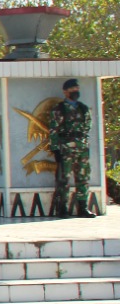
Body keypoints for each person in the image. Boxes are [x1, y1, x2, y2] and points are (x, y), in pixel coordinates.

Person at [48, 78, 96, 218]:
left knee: (83, 178)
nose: (75, 92)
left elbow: (87, 127)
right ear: (65, 92)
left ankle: (83, 208)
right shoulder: (59, 109)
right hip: (66, 149)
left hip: (82, 148)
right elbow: (53, 130)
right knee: (64, 179)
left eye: (77, 89)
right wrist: (55, 149)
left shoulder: (83, 108)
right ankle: (62, 209)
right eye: (72, 90)